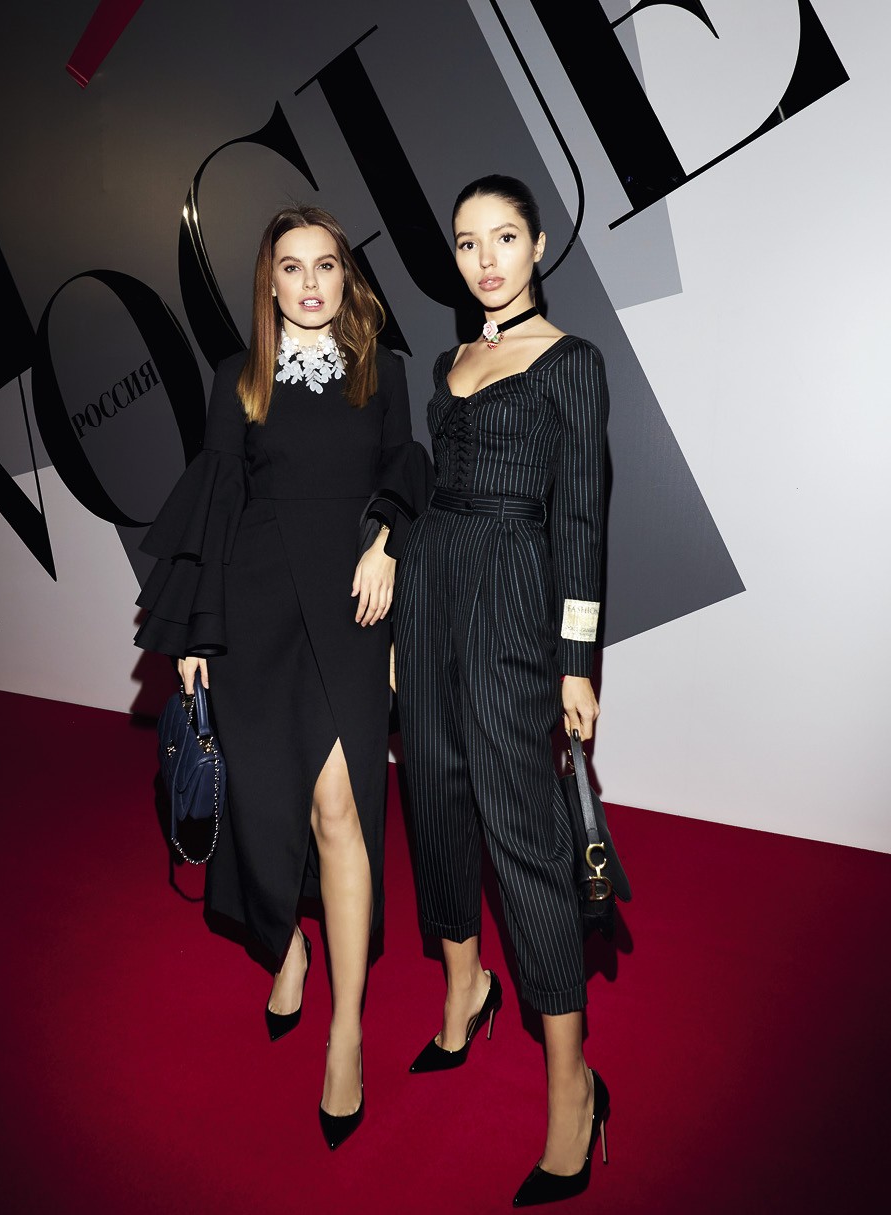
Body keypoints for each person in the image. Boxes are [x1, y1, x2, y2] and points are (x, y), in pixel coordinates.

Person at [134, 204, 431, 1151]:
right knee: (263, 812)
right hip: (256, 615)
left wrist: (385, 541)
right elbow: (217, 504)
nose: (309, 283)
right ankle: (287, 944)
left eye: (326, 265)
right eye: (291, 267)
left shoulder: (384, 372)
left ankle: (346, 1032)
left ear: (347, 276)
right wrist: (195, 632)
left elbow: (406, 466)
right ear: (268, 281)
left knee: (342, 812)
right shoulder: (239, 377)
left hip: (351, 610)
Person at [393, 175, 610, 1206]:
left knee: (522, 834)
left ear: (538, 246)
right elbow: (428, 491)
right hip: (431, 589)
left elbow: (582, 517)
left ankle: (572, 1085)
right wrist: (398, 581)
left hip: (514, 598)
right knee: (431, 795)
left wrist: (576, 660)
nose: (485, 259)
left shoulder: (573, 362)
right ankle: (464, 989)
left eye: (504, 238)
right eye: (468, 242)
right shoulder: (448, 363)